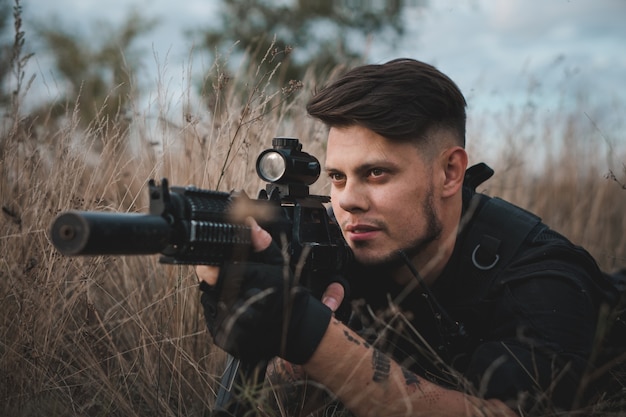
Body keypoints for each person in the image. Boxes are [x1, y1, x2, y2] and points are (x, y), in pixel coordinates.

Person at [197, 58, 612, 416]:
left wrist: (310, 331)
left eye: (376, 173)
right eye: (338, 177)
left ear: (450, 172)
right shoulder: (334, 246)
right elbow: (279, 407)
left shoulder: (544, 281)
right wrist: (263, 320)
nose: (348, 202)